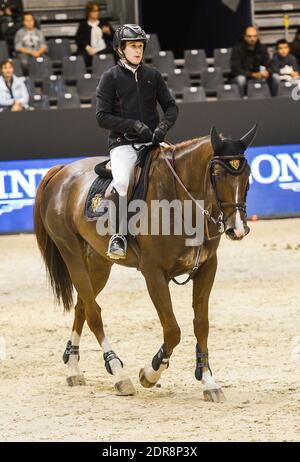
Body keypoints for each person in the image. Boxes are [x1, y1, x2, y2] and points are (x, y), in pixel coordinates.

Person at [96, 24, 178, 259]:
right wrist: (132, 125)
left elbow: (171, 106)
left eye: (140, 46)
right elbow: (101, 117)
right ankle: (118, 236)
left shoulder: (152, 76)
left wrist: (163, 127)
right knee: (122, 182)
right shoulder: (109, 78)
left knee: (177, 171)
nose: (138, 50)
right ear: (121, 49)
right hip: (123, 144)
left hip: (152, 142)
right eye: (133, 46)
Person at [231, 26, 277, 96]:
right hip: (244, 76)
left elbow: (269, 64)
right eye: (249, 36)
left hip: (260, 76)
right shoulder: (237, 49)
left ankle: (274, 99)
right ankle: (241, 101)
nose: (252, 39)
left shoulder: (262, 48)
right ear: (244, 37)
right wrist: (253, 75)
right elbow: (236, 69)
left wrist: (266, 72)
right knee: (241, 79)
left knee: (275, 77)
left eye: (255, 36)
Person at [75, 1, 114, 68]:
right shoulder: (83, 25)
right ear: (89, 12)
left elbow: (113, 36)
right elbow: (78, 39)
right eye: (94, 11)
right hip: (89, 50)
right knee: (81, 57)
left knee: (113, 53)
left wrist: (108, 32)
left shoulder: (104, 23)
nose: (96, 13)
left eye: (97, 11)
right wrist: (87, 48)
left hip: (103, 49)